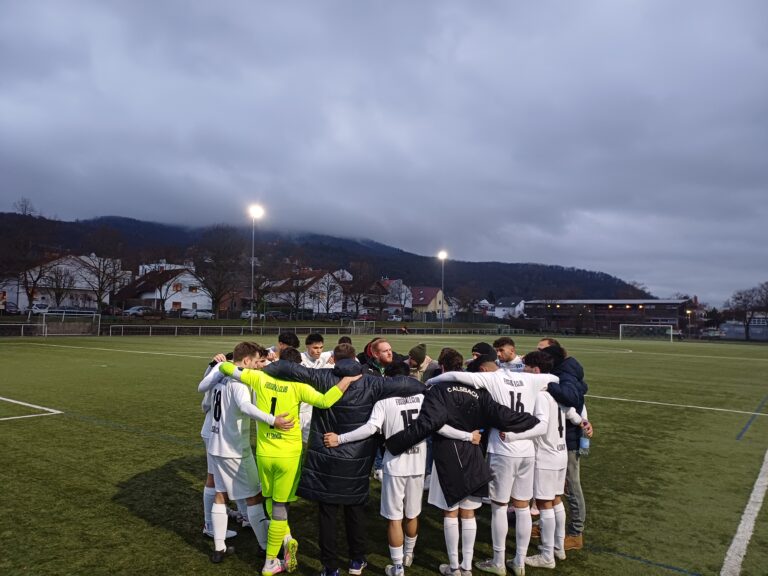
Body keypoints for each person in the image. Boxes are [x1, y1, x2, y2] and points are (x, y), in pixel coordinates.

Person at [262, 343, 425, 576]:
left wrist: (265, 366)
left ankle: (329, 567)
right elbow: (404, 383)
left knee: (327, 516)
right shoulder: (371, 381)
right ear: (355, 360)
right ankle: (356, 561)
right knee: (355, 513)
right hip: (357, 460)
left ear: (334, 360)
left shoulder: (323, 376)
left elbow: (289, 369)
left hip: (327, 457)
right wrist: (427, 386)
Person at [387, 349, 540, 576]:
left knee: (451, 513)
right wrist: (532, 420)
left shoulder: (438, 388)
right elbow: (502, 415)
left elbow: (432, 423)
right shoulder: (479, 390)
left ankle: (454, 567)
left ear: (443, 368)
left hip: (447, 453)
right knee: (469, 513)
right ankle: (467, 568)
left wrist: (396, 444)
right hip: (474, 453)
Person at [219, 343, 361, 576]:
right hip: (289, 456)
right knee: (280, 507)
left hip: (265, 454)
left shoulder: (258, 379)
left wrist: (224, 359)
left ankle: (284, 537)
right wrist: (346, 381)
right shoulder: (299, 387)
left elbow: (226, 368)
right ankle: (270, 562)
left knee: (269, 499)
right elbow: (326, 401)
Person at [426, 350, 557, 576]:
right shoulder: (530, 377)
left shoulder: (491, 377)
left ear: (484, 369)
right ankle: (520, 560)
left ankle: (498, 560)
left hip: (503, 447)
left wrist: (431, 380)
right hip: (527, 448)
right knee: (523, 506)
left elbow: (456, 377)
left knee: (499, 506)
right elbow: (554, 379)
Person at [322, 391, 478, 576]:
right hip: (417, 465)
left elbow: (371, 428)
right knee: (412, 514)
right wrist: (467, 436)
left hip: (394, 466)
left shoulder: (385, 400)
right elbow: (439, 426)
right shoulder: (422, 398)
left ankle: (397, 567)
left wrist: (340, 438)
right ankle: (408, 555)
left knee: (394, 518)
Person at [199, 342, 293, 563]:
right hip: (234, 449)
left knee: (221, 495)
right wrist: (273, 420)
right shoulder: (239, 381)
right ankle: (265, 548)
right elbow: (245, 406)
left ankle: (219, 548)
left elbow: (202, 389)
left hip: (215, 444)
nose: (258, 368)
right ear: (247, 360)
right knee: (254, 497)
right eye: (256, 363)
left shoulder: (219, 375)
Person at [504, 350, 585, 569]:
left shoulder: (540, 394)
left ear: (535, 370)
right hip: (560, 453)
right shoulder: (556, 390)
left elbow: (539, 427)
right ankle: (558, 548)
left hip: (546, 457)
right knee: (557, 501)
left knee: (545, 504)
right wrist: (583, 424)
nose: (524, 371)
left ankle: (546, 555)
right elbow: (571, 413)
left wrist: (513, 435)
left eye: (527, 367)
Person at [537, 337, 591, 551]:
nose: (537, 353)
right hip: (560, 437)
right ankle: (545, 525)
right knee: (553, 486)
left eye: (541, 350)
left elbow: (571, 397)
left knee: (570, 484)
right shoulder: (564, 371)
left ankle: (576, 532)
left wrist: (546, 384)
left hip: (567, 438)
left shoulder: (565, 374)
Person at [298, 333, 336, 442]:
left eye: (321, 348)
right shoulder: (300, 358)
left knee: (309, 442)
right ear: (307, 346)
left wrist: (334, 356)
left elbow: (338, 350)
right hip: (297, 408)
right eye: (315, 348)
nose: (318, 351)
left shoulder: (323, 357)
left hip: (312, 409)